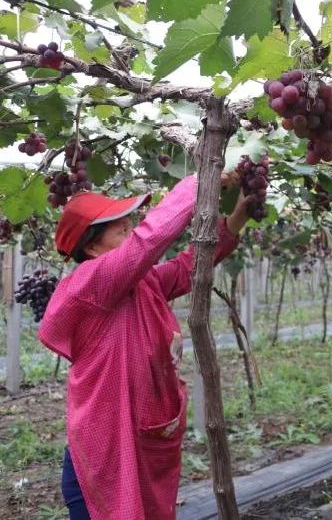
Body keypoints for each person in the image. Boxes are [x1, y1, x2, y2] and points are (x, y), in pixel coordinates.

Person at [39, 173, 250, 519]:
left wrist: (239, 214)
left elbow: (188, 268)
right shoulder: (93, 282)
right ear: (92, 247)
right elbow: (148, 241)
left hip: (143, 439)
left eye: (128, 221)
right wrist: (201, 181)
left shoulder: (143, 282)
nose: (129, 227)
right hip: (105, 447)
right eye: (118, 226)